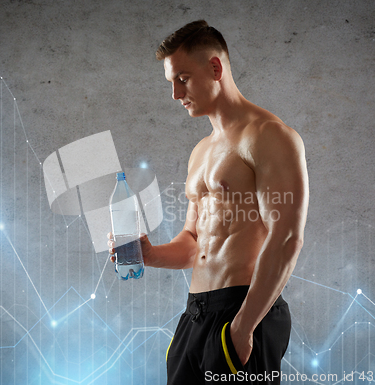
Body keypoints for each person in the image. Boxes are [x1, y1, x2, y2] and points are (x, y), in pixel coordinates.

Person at [109, 20, 309, 384]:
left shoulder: (269, 136)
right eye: (171, 81)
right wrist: (150, 254)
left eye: (182, 78)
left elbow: (286, 237)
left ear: (215, 68)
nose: (174, 94)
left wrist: (243, 328)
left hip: (242, 313)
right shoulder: (201, 152)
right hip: (195, 315)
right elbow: (193, 244)